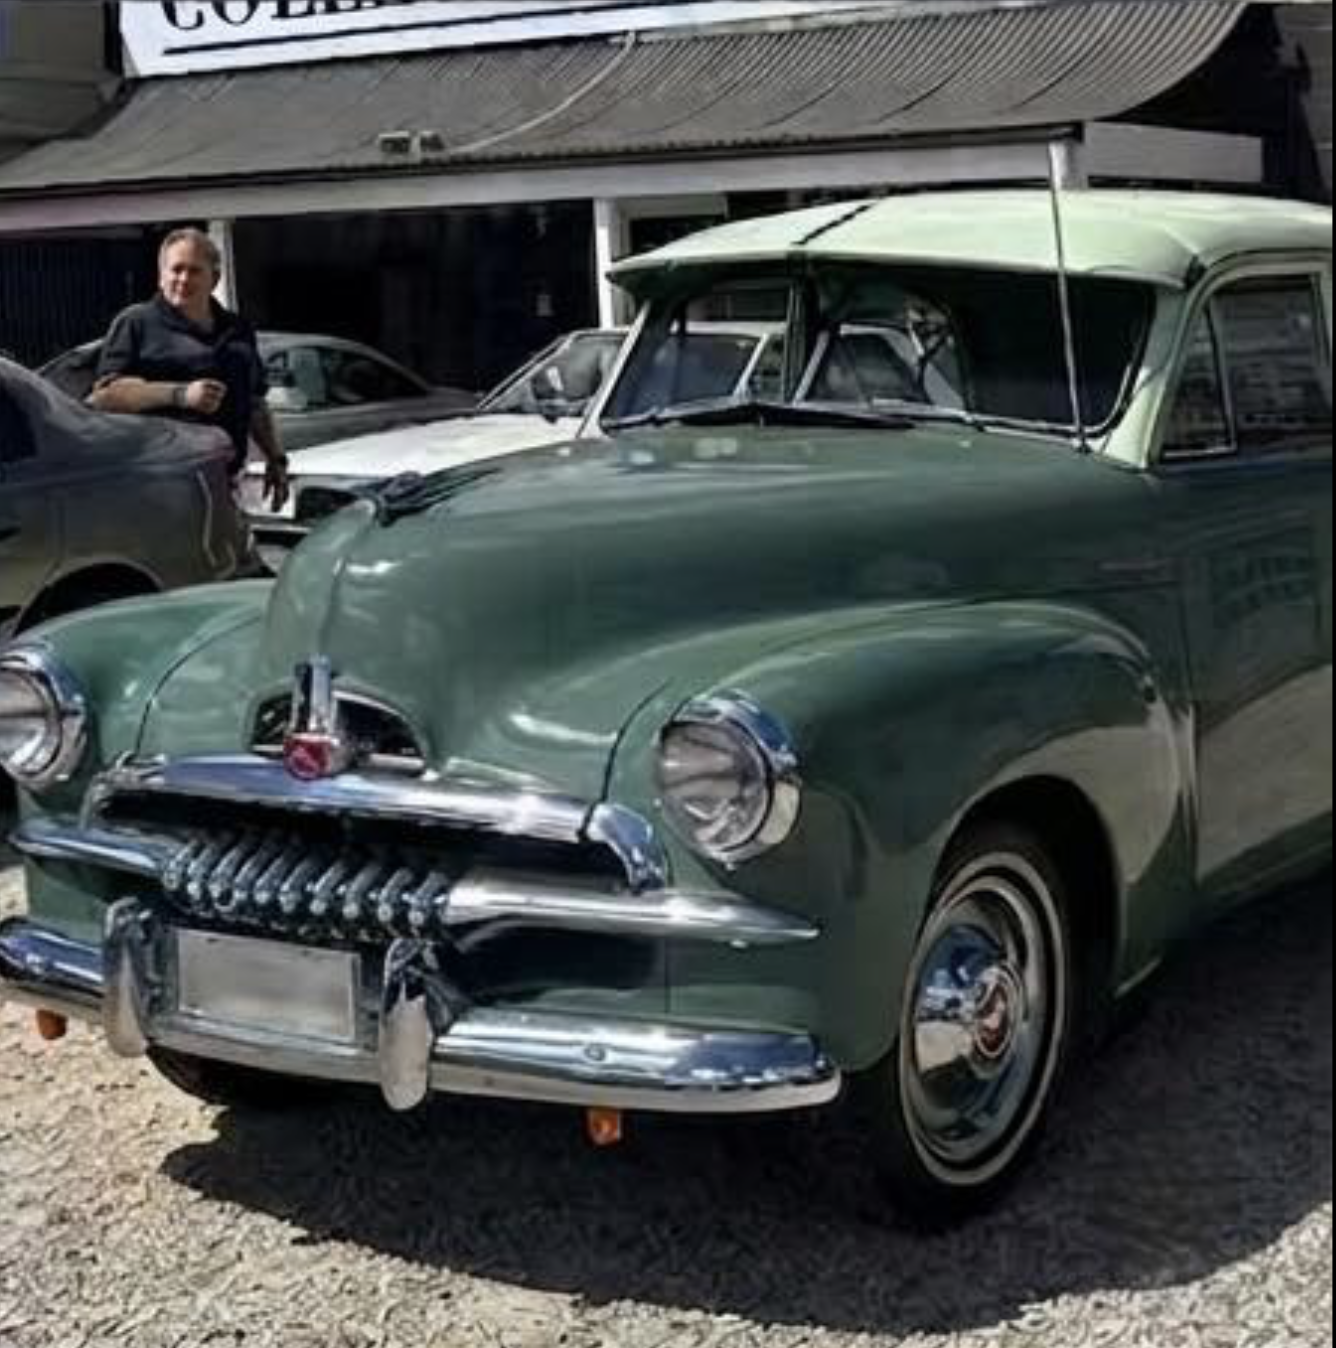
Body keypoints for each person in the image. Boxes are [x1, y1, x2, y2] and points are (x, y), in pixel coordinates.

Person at [90, 228, 290, 510]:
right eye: (176, 269)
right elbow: (105, 397)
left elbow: (255, 402)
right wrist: (180, 394)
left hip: (225, 484)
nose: (183, 279)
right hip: (156, 488)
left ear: (215, 278)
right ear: (161, 276)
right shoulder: (137, 322)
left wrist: (277, 459)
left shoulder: (238, 329)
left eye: (195, 270)